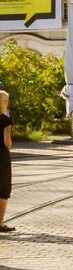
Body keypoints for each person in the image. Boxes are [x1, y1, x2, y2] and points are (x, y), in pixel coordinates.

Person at [0, 88, 14, 234]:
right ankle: (0, 223)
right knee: (3, 190)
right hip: (2, 158)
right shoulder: (5, 120)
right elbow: (7, 142)